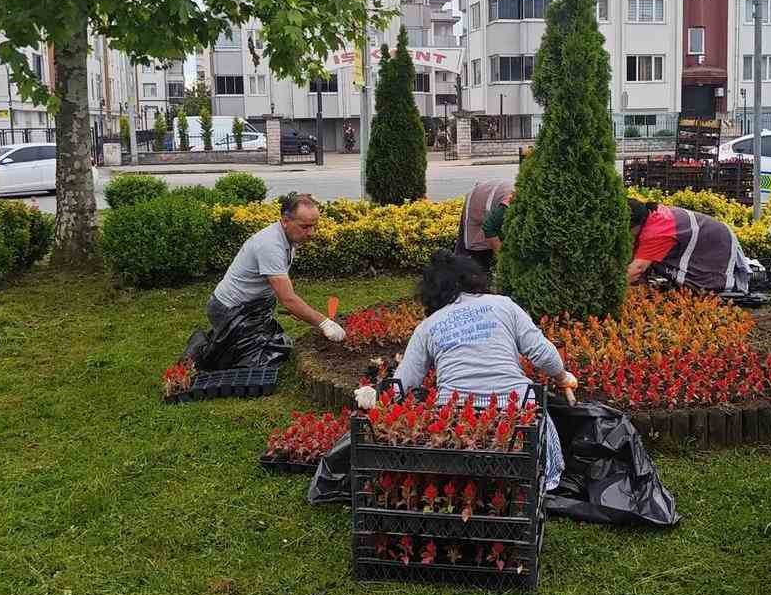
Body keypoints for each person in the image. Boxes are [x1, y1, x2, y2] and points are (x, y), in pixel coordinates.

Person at [379, 251, 575, 490]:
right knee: (533, 430)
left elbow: (403, 384)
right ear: (473, 278)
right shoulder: (503, 305)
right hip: (517, 417)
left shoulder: (428, 326)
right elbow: (544, 355)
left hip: (458, 421)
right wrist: (563, 377)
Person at [208, 192, 345, 343]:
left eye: (314, 226)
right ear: (285, 221)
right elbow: (287, 298)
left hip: (252, 307)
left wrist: (298, 309)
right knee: (251, 360)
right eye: (305, 226)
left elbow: (281, 284)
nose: (311, 233)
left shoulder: (288, 237)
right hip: (230, 310)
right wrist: (324, 323)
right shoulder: (270, 245)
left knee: (271, 349)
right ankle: (197, 362)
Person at [627, 199, 753, 294]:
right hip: (712, 235)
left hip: (716, 242)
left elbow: (638, 268)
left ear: (636, 225)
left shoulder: (656, 231)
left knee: (706, 289)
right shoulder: (651, 215)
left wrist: (611, 289)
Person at [454, 179, 513, 269]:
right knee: (475, 250)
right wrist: (504, 262)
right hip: (478, 199)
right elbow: (489, 227)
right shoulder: (512, 200)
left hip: (495, 199)